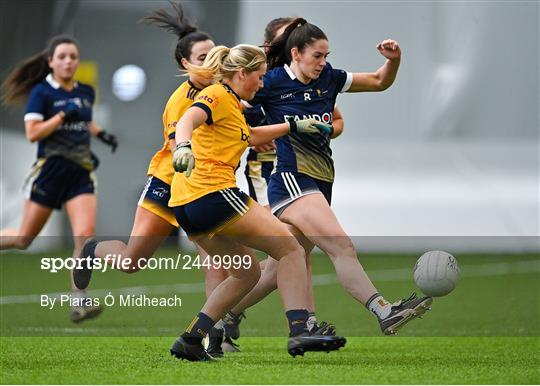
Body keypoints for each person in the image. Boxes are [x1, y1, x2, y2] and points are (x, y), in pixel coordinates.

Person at [247, 18, 433, 336]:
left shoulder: (330, 78)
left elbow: (377, 81)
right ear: (296, 53)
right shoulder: (273, 82)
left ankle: (216, 320)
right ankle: (384, 310)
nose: (323, 62)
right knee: (342, 247)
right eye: (317, 55)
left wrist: (394, 61)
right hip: (291, 179)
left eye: (326, 55)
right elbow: (237, 114)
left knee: (276, 270)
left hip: (321, 179)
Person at [167, 43, 345, 361]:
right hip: (213, 195)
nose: (262, 84)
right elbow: (188, 119)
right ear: (242, 73)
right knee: (290, 248)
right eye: (259, 77)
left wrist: (291, 126)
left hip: (187, 206)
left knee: (246, 274)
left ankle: (191, 339)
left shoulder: (232, 105)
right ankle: (300, 329)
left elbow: (249, 135)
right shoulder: (218, 94)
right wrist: (183, 146)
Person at [71, 2, 229, 357]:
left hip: (202, 186)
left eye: (216, 54)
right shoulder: (181, 102)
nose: (213, 61)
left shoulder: (221, 93)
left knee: (215, 258)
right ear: (185, 64)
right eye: (203, 56)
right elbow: (179, 146)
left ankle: (214, 335)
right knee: (131, 262)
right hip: (168, 183)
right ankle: (92, 250)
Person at [224, 16, 345, 344]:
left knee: (284, 260)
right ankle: (303, 325)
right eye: (284, 39)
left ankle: (229, 315)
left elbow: (336, 118)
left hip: (295, 169)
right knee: (289, 252)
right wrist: (256, 134)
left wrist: (327, 127)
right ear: (273, 45)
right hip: (266, 175)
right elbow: (233, 116)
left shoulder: (304, 79)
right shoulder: (260, 79)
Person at [0, 35, 118, 322]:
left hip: (80, 173)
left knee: (83, 236)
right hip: (50, 172)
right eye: (62, 56)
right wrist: (61, 116)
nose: (68, 61)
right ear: (51, 61)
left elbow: (85, 119)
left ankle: (79, 303)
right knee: (24, 239)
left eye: (73, 57)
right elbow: (33, 133)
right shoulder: (42, 93)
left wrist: (101, 134)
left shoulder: (86, 91)